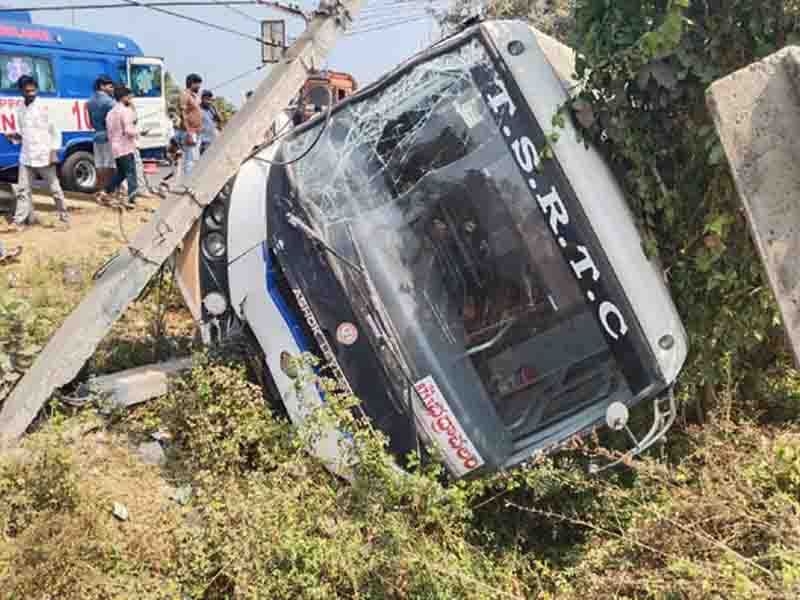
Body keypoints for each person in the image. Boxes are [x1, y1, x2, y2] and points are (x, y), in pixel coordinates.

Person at [5, 75, 68, 230]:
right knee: (23, 190)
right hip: (26, 157)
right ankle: (19, 222)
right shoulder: (19, 109)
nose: (32, 94)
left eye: (34, 91)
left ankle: (64, 218)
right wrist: (15, 136)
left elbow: (56, 132)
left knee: (55, 189)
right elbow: (24, 134)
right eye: (28, 91)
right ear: (21, 91)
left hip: (44, 156)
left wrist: (53, 152)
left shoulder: (44, 107)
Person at [104, 85, 139, 207]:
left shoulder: (110, 113)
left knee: (121, 173)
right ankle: (132, 198)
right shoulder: (125, 111)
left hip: (115, 147)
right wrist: (139, 132)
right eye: (130, 97)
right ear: (124, 97)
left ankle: (107, 191)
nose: (131, 99)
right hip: (125, 146)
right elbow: (129, 130)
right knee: (131, 173)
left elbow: (109, 132)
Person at [87, 75, 115, 202]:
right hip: (108, 136)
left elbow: (91, 122)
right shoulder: (109, 101)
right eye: (110, 85)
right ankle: (107, 192)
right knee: (110, 166)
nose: (112, 88)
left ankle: (99, 190)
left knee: (99, 165)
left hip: (97, 135)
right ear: (102, 86)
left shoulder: (90, 101)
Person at [178, 73, 203, 177]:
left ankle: (192, 180)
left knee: (195, 158)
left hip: (197, 130)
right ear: (192, 83)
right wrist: (188, 131)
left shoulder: (195, 95)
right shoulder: (185, 95)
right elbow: (183, 113)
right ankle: (188, 182)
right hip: (189, 131)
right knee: (190, 158)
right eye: (198, 84)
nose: (199, 87)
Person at [199, 90, 220, 155]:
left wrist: (215, 109)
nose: (208, 101)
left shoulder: (212, 108)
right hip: (204, 141)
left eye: (210, 99)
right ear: (202, 98)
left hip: (214, 139)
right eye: (207, 99)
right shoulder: (198, 109)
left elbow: (219, 120)